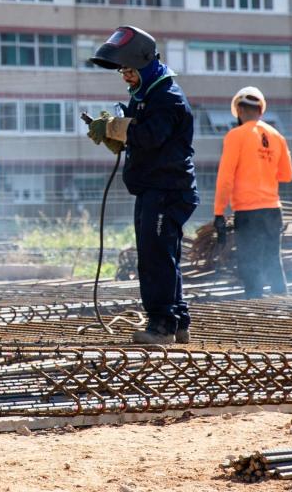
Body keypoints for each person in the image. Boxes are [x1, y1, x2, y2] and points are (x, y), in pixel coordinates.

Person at [85, 26, 197, 345]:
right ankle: (178, 322)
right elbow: (137, 131)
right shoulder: (146, 94)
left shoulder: (167, 97)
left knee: (155, 258)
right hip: (154, 188)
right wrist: (117, 130)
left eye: (130, 71)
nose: (126, 77)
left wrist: (114, 128)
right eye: (123, 71)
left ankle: (161, 326)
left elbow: (149, 136)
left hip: (167, 190)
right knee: (163, 255)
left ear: (146, 64)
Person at [212, 86, 292, 298]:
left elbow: (225, 178)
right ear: (261, 110)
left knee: (250, 263)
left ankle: (255, 304)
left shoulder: (235, 136)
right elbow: (287, 175)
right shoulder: (277, 136)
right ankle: (283, 304)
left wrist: (219, 212)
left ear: (239, 110)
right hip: (273, 210)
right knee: (273, 260)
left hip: (248, 212)